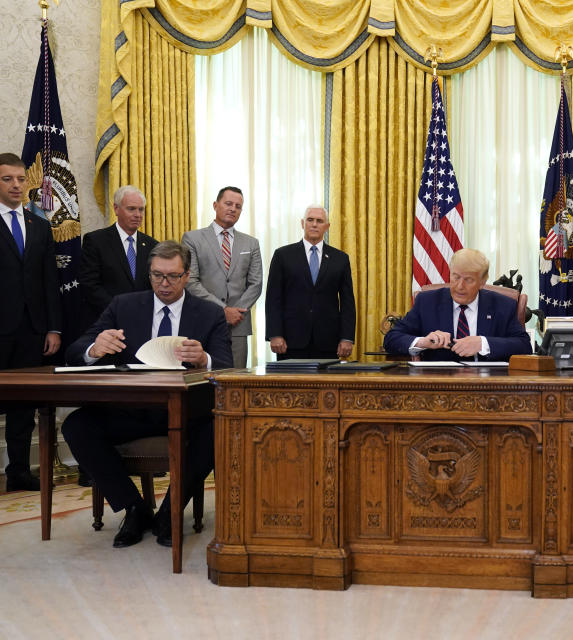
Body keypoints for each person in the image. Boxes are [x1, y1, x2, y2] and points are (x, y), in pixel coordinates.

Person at [61, 241, 232, 548]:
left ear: (187, 275)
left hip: (187, 413)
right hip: (131, 411)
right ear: (149, 274)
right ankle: (134, 508)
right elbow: (75, 350)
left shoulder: (209, 314)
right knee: (76, 426)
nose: (164, 284)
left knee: (219, 428)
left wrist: (203, 358)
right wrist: (93, 348)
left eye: (173, 276)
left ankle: (169, 511)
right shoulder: (123, 306)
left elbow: (228, 367)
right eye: (157, 276)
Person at [0, 153, 61, 491]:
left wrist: (53, 327)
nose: (16, 185)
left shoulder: (39, 225)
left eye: (21, 179)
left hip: (31, 330)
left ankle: (19, 473)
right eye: (8, 179)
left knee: (23, 407)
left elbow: (49, 280)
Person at [384, 248, 532, 361]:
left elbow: (524, 345)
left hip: (488, 387)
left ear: (482, 281)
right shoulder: (427, 302)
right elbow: (391, 339)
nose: (460, 286)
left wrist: (482, 343)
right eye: (455, 277)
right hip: (438, 388)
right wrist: (423, 342)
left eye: (468, 280)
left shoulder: (502, 305)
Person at [182, 186, 262, 367]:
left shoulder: (251, 243)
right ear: (215, 205)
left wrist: (236, 312)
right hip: (203, 320)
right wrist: (223, 310)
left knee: (236, 381)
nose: (233, 209)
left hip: (238, 325)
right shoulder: (192, 238)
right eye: (228, 203)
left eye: (238, 206)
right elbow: (191, 281)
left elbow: (255, 284)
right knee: (202, 379)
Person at [265, 206, 355, 360]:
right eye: (310, 220)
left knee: (325, 385)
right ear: (302, 223)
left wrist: (347, 337)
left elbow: (347, 301)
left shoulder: (340, 258)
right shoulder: (283, 255)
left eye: (319, 221)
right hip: (289, 342)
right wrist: (275, 334)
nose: (314, 224)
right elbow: (273, 298)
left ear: (327, 226)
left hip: (328, 342)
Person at [78, 185, 158, 331]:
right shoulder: (96, 241)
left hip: (142, 322)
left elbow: (153, 285)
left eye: (141, 209)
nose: (137, 215)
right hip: (106, 322)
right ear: (116, 209)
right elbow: (89, 284)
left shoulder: (152, 245)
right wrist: (120, 309)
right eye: (131, 209)